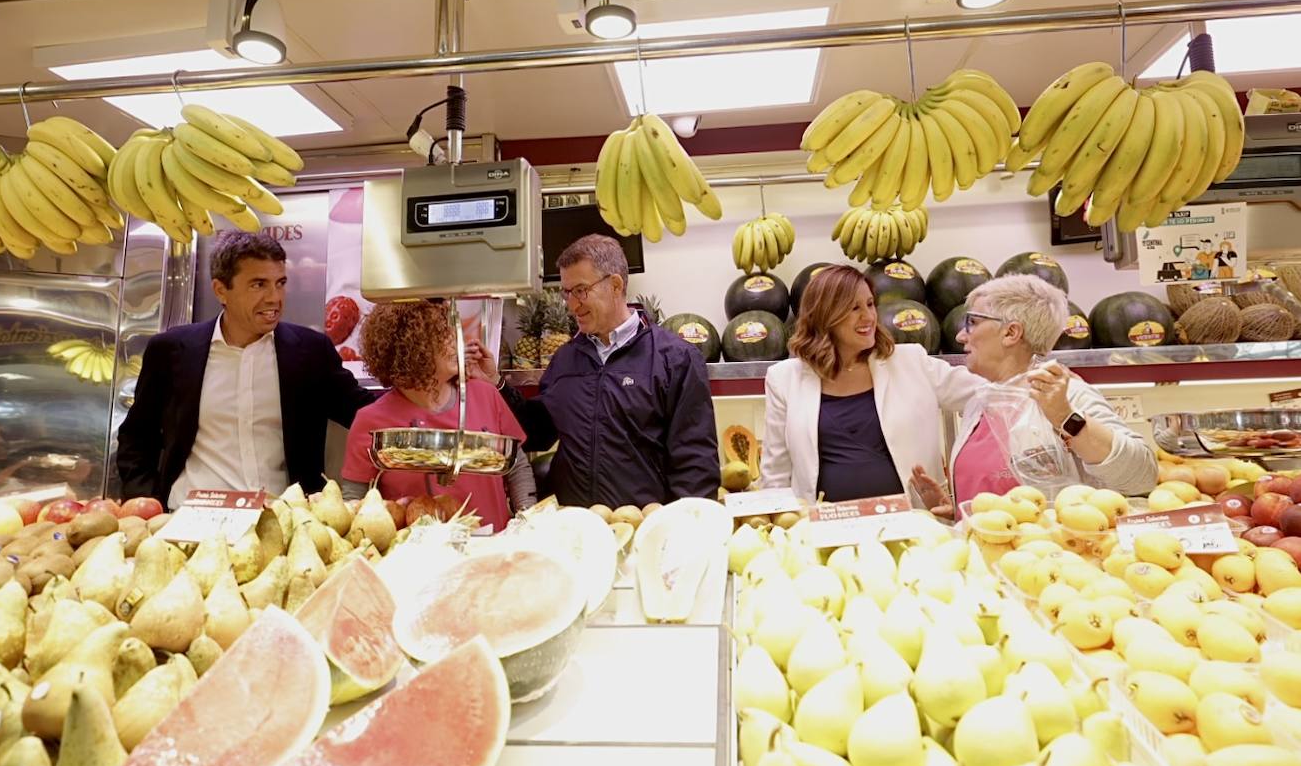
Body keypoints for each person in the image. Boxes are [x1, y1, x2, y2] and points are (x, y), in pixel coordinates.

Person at [116, 231, 376, 507]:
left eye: (280, 283)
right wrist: (146, 503)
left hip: (284, 519)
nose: (274, 298)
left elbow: (366, 414)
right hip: (190, 518)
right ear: (220, 290)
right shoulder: (170, 351)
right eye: (258, 285)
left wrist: (420, 403)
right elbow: (136, 437)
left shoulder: (311, 352)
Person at [472, 234, 719, 508]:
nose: (572, 304)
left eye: (580, 290)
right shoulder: (567, 358)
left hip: (641, 527)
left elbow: (695, 461)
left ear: (615, 285)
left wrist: (685, 530)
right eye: (567, 293)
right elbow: (539, 433)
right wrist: (496, 382)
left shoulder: (675, 359)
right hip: (575, 529)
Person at [913, 274, 1157, 514]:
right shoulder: (980, 402)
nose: (960, 335)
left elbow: (1141, 476)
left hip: (1048, 551)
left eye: (972, 323)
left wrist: (1066, 418)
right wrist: (959, 510)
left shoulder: (1067, 395)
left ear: (1011, 333)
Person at [759, 265, 985, 504]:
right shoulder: (784, 379)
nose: (868, 316)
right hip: (824, 529)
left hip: (915, 523)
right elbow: (775, 472)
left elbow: (986, 392)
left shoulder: (911, 361)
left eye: (869, 304)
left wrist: (1023, 372)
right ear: (825, 315)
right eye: (854, 308)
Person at [339, 301, 534, 530]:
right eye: (442, 337)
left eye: (452, 333)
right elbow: (353, 501)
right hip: (418, 556)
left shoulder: (485, 395)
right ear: (412, 351)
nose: (456, 344)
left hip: (494, 551)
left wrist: (527, 522)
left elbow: (518, 467)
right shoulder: (370, 421)